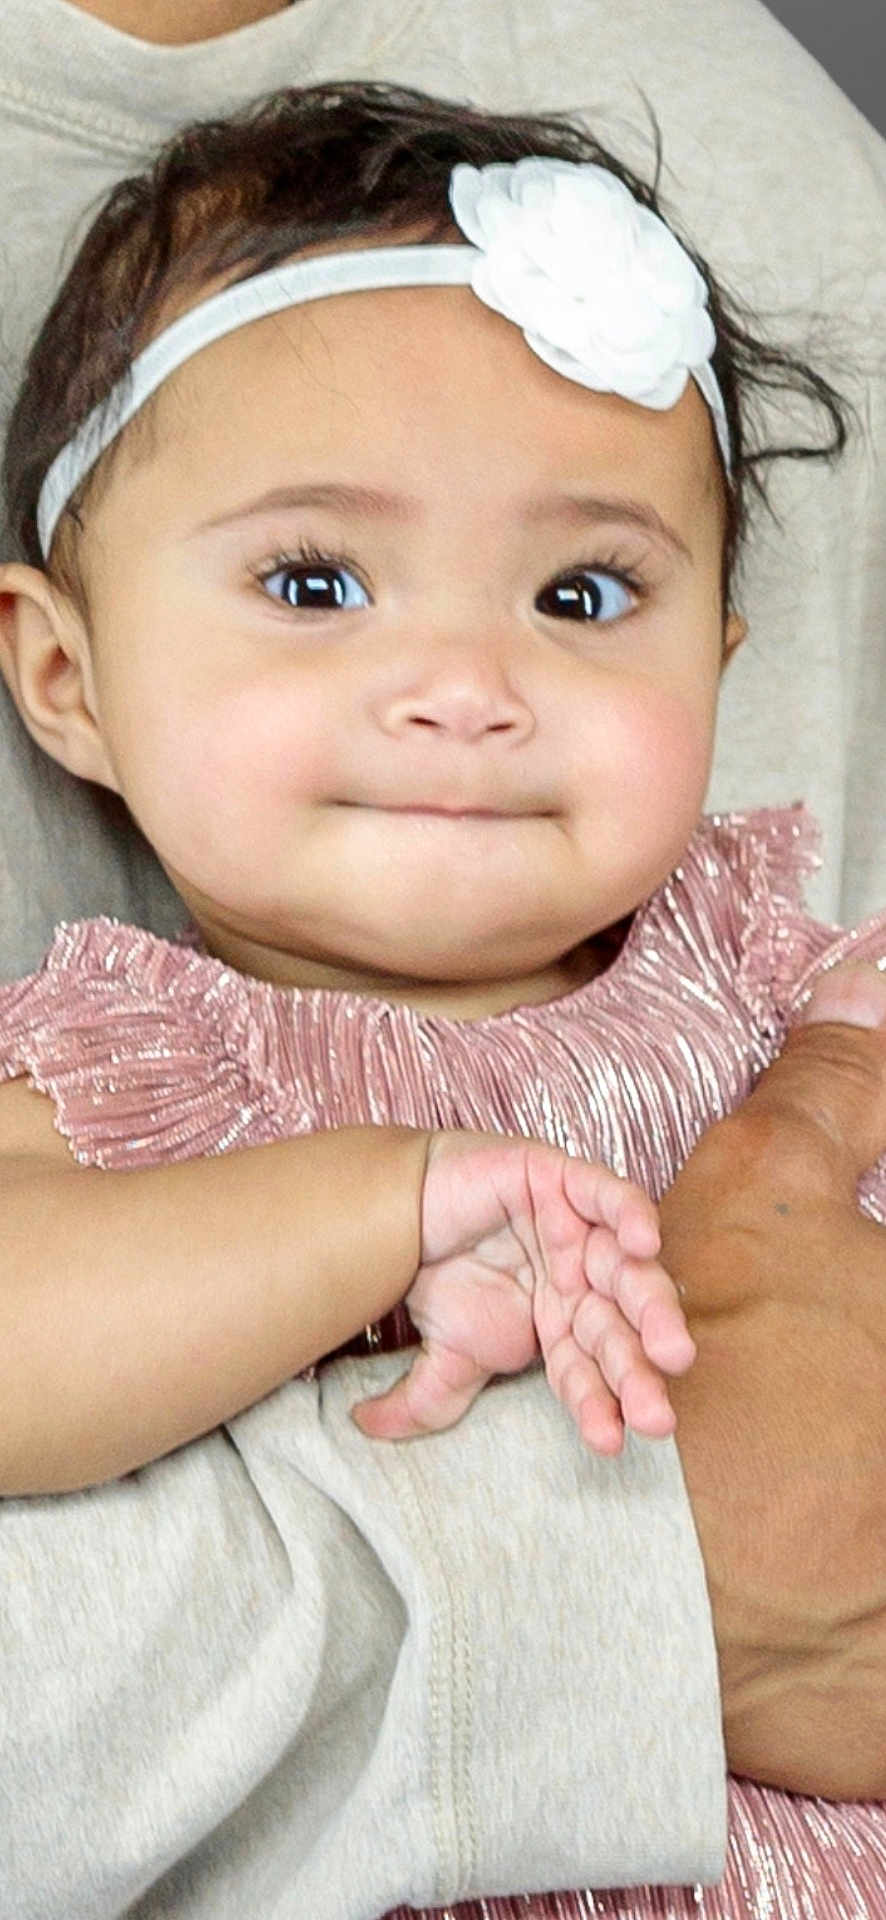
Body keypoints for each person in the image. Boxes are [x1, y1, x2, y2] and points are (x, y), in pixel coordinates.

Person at [0, 75, 884, 1920]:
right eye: (317, 581)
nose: (467, 683)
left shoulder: (769, 991)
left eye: (581, 593)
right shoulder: (131, 1073)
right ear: (66, 674)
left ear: (718, 656)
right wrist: (374, 1203)